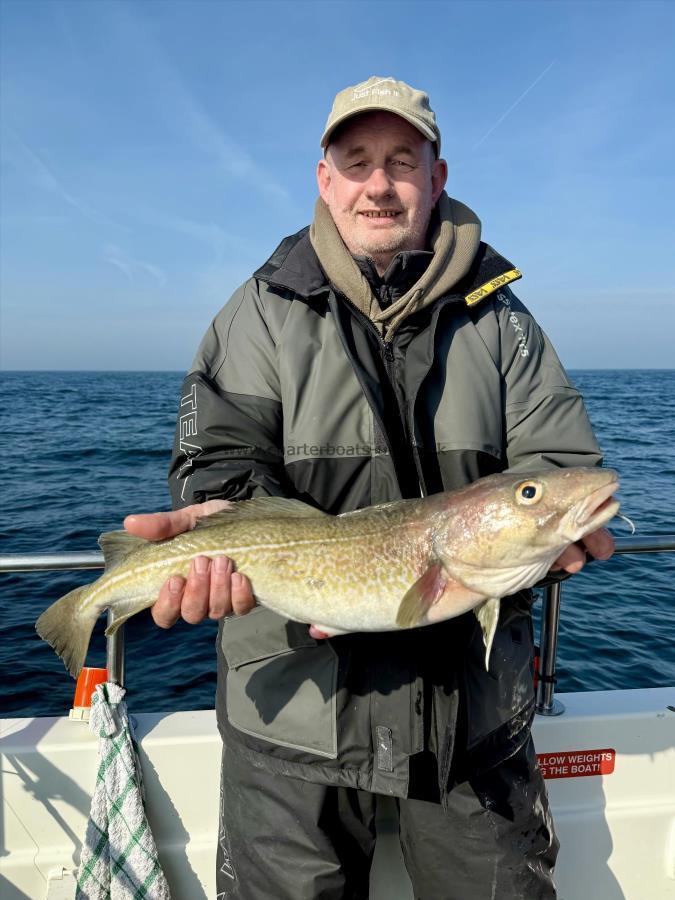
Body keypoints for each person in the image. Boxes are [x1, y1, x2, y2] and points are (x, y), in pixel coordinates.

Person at [125, 76, 614, 899]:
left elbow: (557, 459)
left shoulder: (503, 323)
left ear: (437, 176)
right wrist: (220, 513)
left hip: (473, 714)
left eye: (401, 161)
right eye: (356, 163)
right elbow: (214, 451)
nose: (378, 184)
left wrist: (547, 515)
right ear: (324, 180)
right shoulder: (257, 311)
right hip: (289, 708)